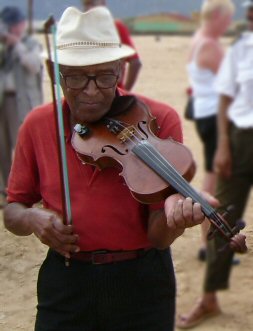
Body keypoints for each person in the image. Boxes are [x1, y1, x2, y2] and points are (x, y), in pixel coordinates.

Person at [3, 6, 217, 331]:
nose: (91, 92)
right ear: (53, 71)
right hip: (66, 281)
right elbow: (13, 210)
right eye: (75, 77)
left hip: (142, 283)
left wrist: (177, 221)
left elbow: (158, 237)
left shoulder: (159, 119)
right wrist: (33, 218)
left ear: (121, 69)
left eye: (104, 76)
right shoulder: (37, 125)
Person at [176, 1, 253, 328]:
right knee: (224, 218)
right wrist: (222, 144)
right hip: (240, 141)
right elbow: (224, 95)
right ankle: (208, 298)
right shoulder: (240, 50)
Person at [186, 0, 234, 261]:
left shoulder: (198, 40)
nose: (228, 24)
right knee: (216, 181)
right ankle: (210, 244)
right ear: (215, 16)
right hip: (217, 118)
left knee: (214, 177)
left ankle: (209, 242)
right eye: (227, 19)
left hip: (208, 114)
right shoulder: (210, 46)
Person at [0, 6, 43, 204]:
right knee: (3, 144)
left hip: (24, 103)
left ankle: (29, 187)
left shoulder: (30, 43)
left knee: (24, 146)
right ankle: (7, 187)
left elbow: (33, 65)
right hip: (4, 101)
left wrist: (17, 44)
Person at [82, 0, 142, 91]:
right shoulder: (81, 30)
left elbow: (135, 62)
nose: (88, 8)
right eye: (86, 5)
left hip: (114, 92)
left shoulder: (115, 27)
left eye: (92, 4)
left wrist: (125, 91)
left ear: (102, 3)